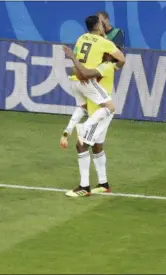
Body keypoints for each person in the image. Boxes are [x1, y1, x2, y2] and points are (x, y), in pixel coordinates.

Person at [62, 15, 125, 196]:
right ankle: (104, 184)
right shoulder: (107, 56)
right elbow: (120, 59)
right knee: (97, 145)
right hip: (95, 105)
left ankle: (84, 187)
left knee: (81, 145)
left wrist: (73, 59)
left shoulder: (85, 42)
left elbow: (86, 72)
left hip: (100, 109)